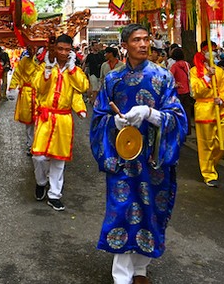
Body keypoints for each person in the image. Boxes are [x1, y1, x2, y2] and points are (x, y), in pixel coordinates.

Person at [89, 24, 188, 284]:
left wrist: (151, 114)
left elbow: (178, 118)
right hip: (122, 158)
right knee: (121, 211)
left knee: (150, 210)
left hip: (153, 158)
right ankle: (121, 275)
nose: (143, 44)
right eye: (137, 40)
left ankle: (141, 268)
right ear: (125, 45)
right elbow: (99, 118)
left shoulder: (163, 77)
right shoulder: (113, 79)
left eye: (146, 39)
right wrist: (115, 124)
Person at [31, 34, 89, 211]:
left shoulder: (75, 71)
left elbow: (81, 88)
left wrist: (80, 108)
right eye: (60, 49)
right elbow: (38, 87)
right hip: (46, 118)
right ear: (54, 49)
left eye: (67, 50)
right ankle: (41, 182)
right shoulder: (44, 67)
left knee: (58, 160)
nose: (63, 53)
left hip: (64, 119)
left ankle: (54, 194)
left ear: (71, 51)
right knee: (38, 156)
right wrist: (47, 71)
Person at [190, 41, 224, 187]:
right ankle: (208, 174)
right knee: (205, 144)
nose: (212, 53)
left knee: (223, 142)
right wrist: (207, 76)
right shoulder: (195, 71)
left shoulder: (220, 71)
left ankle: (210, 164)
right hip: (204, 109)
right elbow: (195, 90)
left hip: (219, 109)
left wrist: (222, 99)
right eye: (209, 50)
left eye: (214, 50)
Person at [9, 47, 40, 155]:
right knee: (29, 123)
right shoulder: (24, 61)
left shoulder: (43, 61)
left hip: (40, 95)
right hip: (26, 94)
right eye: (30, 48)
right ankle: (30, 144)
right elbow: (17, 74)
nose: (32, 50)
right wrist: (12, 87)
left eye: (34, 48)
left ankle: (39, 145)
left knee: (41, 121)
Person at [168, 47, 193, 127]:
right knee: (187, 110)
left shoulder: (174, 66)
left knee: (179, 111)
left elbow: (169, 77)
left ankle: (181, 127)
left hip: (178, 91)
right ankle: (188, 127)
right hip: (187, 90)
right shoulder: (187, 64)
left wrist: (175, 84)